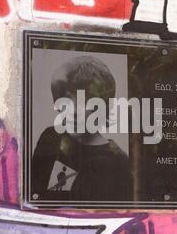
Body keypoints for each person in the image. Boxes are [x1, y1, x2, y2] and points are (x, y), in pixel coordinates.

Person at [30, 56, 133, 202]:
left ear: (101, 106)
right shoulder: (51, 137)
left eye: (82, 102)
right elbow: (32, 193)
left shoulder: (117, 163)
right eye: (64, 101)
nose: (71, 111)